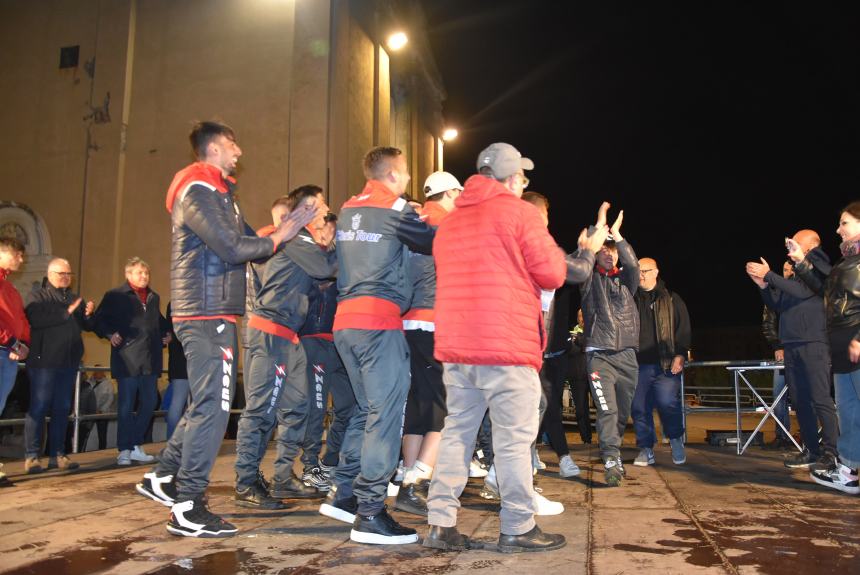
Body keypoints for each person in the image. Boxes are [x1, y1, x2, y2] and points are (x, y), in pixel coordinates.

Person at [134, 121, 316, 538]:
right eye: (233, 144)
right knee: (214, 410)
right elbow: (233, 248)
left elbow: (252, 239)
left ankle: (162, 478)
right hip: (203, 311)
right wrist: (280, 236)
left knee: (204, 404)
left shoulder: (219, 192)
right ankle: (188, 505)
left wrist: (284, 232)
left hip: (213, 310)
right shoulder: (197, 189)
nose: (240, 151)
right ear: (214, 147)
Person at [425, 142, 597, 553]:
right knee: (513, 440)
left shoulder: (451, 221)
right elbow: (554, 273)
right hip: (505, 345)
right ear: (512, 178)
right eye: (522, 175)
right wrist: (584, 252)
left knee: (456, 435)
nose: (524, 182)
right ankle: (518, 526)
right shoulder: (519, 213)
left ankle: (440, 523)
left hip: (458, 347)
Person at [319, 146, 434, 546]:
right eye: (404, 174)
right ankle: (370, 512)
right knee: (386, 415)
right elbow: (435, 241)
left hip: (345, 323)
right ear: (392, 174)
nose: (406, 181)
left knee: (366, 411)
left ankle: (346, 494)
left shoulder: (349, 208)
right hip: (378, 323)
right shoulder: (397, 209)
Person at [235, 186, 335, 509]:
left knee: (298, 406)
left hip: (289, 335)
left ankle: (281, 476)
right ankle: (246, 481)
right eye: (320, 204)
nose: (326, 209)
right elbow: (326, 268)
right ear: (304, 208)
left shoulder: (302, 241)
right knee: (261, 411)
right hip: (271, 331)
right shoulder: (295, 239)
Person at [395, 171, 461, 517]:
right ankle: (417, 481)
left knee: (418, 401)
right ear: (449, 193)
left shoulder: (415, 220)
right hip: (435, 321)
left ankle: (409, 473)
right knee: (441, 403)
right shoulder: (446, 223)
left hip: (407, 321)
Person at [746, 230, 837, 470]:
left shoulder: (817, 262)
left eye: (796, 240)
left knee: (820, 398)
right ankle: (812, 450)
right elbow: (778, 303)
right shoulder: (796, 272)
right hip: (792, 344)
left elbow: (803, 291)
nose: (790, 244)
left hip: (813, 342)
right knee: (800, 401)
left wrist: (770, 275)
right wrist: (763, 285)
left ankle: (831, 452)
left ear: (810, 244)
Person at [791, 203, 860, 494]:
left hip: (856, 343)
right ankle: (848, 470)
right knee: (849, 411)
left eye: (844, 223)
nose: (838, 229)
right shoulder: (845, 263)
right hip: (841, 348)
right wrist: (801, 263)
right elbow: (826, 292)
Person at [579, 209, 639, 487]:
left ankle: (611, 449)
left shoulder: (626, 280)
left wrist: (618, 236)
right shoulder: (589, 280)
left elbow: (635, 266)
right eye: (603, 249)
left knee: (621, 412)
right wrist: (594, 236)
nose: (609, 253)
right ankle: (611, 458)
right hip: (598, 355)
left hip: (627, 355)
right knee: (607, 409)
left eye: (612, 250)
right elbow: (579, 264)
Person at [299, 215, 356, 492]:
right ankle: (309, 465)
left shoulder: (342, 259)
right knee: (317, 405)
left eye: (332, 231)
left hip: (339, 342)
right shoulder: (311, 257)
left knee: (349, 405)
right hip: (313, 339)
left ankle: (329, 461)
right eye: (323, 229)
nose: (327, 235)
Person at [94, 257, 170, 466]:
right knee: (126, 405)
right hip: (127, 359)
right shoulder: (115, 296)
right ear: (128, 275)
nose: (144, 277)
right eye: (139, 273)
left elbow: (159, 322)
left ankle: (135, 444)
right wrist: (109, 334)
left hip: (150, 359)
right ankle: (124, 449)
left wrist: (167, 334)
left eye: (146, 273)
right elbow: (99, 320)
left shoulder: (153, 297)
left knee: (150, 402)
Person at [24, 258, 94, 473]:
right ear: (50, 274)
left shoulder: (74, 299)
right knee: (39, 407)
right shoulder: (37, 296)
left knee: (62, 409)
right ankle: (32, 456)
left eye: (68, 274)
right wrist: (67, 313)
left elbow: (87, 326)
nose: (65, 277)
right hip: (44, 362)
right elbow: (36, 320)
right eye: (61, 273)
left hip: (68, 362)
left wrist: (88, 313)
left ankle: (58, 454)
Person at [631, 257, 691, 467]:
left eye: (644, 271)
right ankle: (646, 449)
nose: (640, 274)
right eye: (637, 271)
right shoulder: (629, 297)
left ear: (656, 272)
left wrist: (680, 355)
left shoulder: (672, 299)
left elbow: (683, 330)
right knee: (639, 407)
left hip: (665, 364)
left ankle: (675, 439)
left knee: (668, 403)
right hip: (637, 365)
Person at [0, 236, 29, 484]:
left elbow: (19, 319)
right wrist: (11, 342)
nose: (21, 259)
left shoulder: (9, 287)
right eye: (17, 254)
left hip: (8, 352)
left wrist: (23, 343)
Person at [164, 302, 189, 440]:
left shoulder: (174, 302)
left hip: (178, 360)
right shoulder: (194, 299)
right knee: (181, 405)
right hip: (188, 359)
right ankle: (175, 443)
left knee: (177, 404)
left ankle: (172, 444)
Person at [568, 309, 592, 444]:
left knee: (603, 408)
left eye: (584, 315)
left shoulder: (595, 332)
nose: (582, 318)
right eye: (579, 316)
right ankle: (586, 439)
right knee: (581, 410)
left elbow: (587, 345)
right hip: (577, 377)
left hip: (594, 375)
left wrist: (581, 341)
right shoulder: (572, 334)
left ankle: (606, 439)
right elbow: (570, 350)